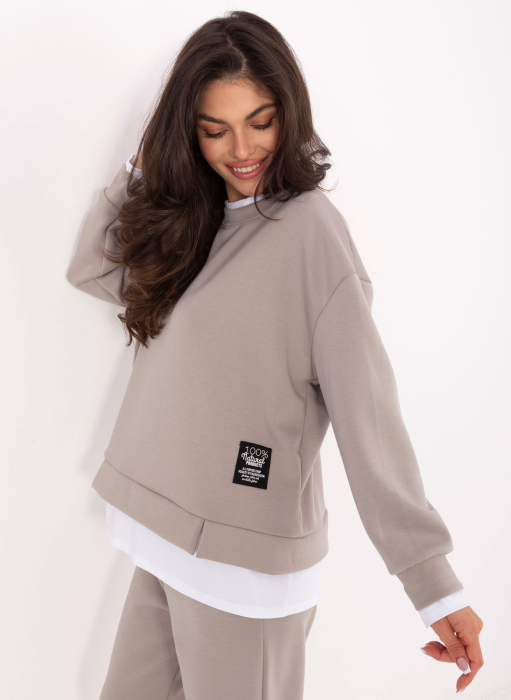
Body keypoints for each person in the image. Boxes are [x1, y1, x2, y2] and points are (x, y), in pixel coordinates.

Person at [66, 10, 483, 699]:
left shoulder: (310, 231)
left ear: (289, 111)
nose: (242, 149)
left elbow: (368, 415)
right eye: (214, 129)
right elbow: (91, 268)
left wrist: (432, 583)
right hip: (162, 533)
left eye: (260, 121)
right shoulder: (197, 220)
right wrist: (141, 167)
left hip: (243, 569)